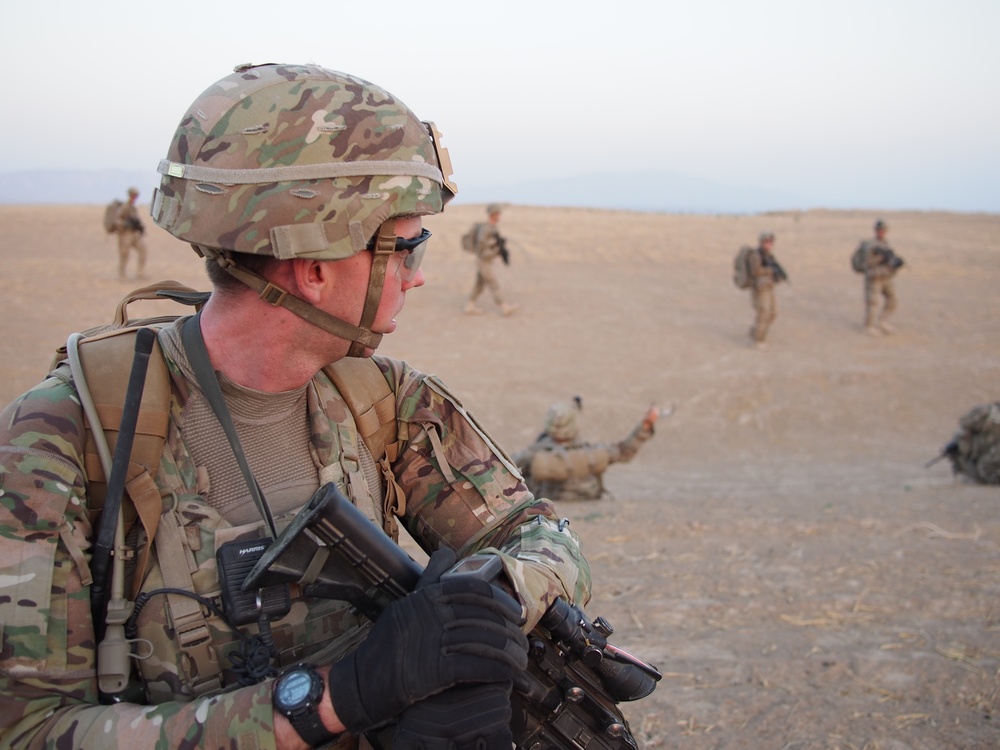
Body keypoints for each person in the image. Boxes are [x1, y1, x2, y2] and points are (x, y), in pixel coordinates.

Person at [0, 63, 591, 750]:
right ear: (315, 266)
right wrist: (338, 698)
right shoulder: (67, 438)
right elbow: (30, 730)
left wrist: (482, 610)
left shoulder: (385, 402)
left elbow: (540, 533)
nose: (417, 275)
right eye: (405, 248)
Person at [513, 396, 661, 502]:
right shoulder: (592, 453)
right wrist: (646, 425)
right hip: (588, 497)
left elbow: (510, 469)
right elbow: (625, 452)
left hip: (548, 499)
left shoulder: (533, 454)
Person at [464, 203, 515, 316]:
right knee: (494, 283)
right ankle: (504, 307)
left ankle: (470, 306)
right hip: (483, 261)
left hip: (486, 261)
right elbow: (481, 245)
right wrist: (494, 248)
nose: (499, 216)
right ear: (493, 214)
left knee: (479, 285)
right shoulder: (486, 228)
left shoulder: (493, 228)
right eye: (498, 214)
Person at [856, 219, 903, 336]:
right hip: (874, 278)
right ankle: (869, 326)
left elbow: (889, 261)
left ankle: (883, 321)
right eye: (879, 230)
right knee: (873, 304)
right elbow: (866, 263)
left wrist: (895, 263)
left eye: (883, 230)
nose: (881, 232)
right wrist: (880, 258)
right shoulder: (869, 245)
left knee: (892, 300)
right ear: (875, 230)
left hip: (886, 277)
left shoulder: (885, 244)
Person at [745, 232, 787, 350]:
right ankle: (758, 340)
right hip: (760, 288)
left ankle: (754, 331)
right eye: (767, 242)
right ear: (761, 242)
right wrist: (769, 271)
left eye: (771, 242)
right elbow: (755, 272)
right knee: (764, 313)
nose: (769, 244)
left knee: (772, 313)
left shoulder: (768, 255)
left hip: (769, 286)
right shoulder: (756, 255)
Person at [115, 186, 148, 281]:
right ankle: (121, 274)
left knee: (143, 250)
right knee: (124, 254)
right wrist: (125, 224)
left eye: (136, 195)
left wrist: (140, 228)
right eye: (133, 195)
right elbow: (117, 220)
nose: (134, 197)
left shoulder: (133, 207)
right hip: (126, 234)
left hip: (134, 234)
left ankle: (140, 272)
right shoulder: (125, 207)